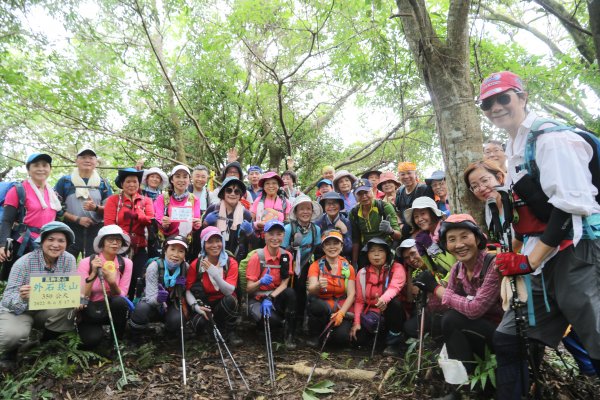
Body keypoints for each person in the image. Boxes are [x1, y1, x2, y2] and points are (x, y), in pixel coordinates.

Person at [478, 70, 600, 397]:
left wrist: (528, 261)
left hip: (580, 246)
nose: (496, 107)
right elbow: (528, 213)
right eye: (487, 103)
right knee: (508, 337)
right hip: (548, 253)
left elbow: (568, 206)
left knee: (595, 333)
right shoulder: (515, 144)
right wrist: (517, 255)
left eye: (503, 98)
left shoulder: (552, 139)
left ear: (522, 96)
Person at [414, 214, 501, 397]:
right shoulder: (458, 268)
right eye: (452, 240)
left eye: (464, 236)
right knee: (440, 320)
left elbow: (475, 309)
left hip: (499, 333)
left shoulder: (492, 264)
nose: (459, 244)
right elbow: (446, 304)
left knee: (452, 319)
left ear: (477, 238)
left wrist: (436, 288)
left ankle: (470, 387)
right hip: (476, 330)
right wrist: (428, 289)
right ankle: (462, 387)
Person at [0, 222, 77, 370]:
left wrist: (77, 298)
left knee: (68, 307)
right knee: (11, 335)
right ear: (42, 241)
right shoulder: (24, 263)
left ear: (67, 244)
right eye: (51, 239)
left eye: (61, 241)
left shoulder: (69, 260)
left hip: (46, 308)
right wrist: (22, 297)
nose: (55, 244)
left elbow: (69, 290)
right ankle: (10, 352)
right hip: (20, 311)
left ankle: (46, 344)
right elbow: (7, 299)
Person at [0, 153, 62, 281]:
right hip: (22, 244)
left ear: (50, 169)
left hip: (46, 244)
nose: (41, 168)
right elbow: (6, 220)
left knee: (41, 283)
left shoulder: (53, 193)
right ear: (28, 169)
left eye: (45, 165)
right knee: (18, 283)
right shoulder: (18, 190)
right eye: (36, 165)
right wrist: (2, 245)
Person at [77, 225, 132, 349]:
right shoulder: (86, 262)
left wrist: (112, 282)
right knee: (91, 340)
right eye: (110, 239)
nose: (115, 243)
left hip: (112, 309)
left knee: (119, 302)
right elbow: (82, 296)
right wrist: (93, 273)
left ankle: (116, 340)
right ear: (102, 243)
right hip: (90, 310)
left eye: (118, 240)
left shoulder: (126, 263)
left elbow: (122, 294)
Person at [350, 238, 407, 356]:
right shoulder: (362, 273)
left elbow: (395, 287)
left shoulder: (397, 268)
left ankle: (394, 343)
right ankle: (380, 339)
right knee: (358, 340)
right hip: (372, 316)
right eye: (372, 251)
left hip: (392, 314)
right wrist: (356, 322)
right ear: (367, 255)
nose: (376, 254)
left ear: (387, 253)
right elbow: (359, 300)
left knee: (394, 303)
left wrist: (383, 300)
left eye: (380, 250)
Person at [103, 168, 154, 299]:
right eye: (128, 182)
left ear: (139, 184)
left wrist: (138, 212)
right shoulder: (113, 200)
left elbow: (150, 220)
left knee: (137, 279)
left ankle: (133, 309)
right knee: (119, 278)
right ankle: (119, 307)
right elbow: (109, 224)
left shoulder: (146, 201)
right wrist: (125, 236)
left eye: (135, 182)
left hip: (140, 247)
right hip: (118, 247)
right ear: (122, 184)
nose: (132, 185)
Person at [185, 227, 242, 346]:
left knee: (230, 300)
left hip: (224, 301)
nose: (215, 245)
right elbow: (188, 289)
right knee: (199, 323)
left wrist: (214, 274)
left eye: (218, 241)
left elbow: (229, 291)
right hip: (205, 303)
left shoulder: (230, 262)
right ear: (203, 244)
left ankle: (229, 331)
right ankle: (210, 329)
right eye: (210, 242)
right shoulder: (196, 264)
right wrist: (196, 307)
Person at [54, 148, 113, 260]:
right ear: (77, 161)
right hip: (70, 228)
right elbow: (55, 208)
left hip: (95, 229)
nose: (87, 160)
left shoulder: (103, 184)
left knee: (94, 264)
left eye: (91, 158)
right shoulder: (65, 181)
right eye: (83, 157)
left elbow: (110, 210)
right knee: (65, 261)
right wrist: (77, 219)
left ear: (96, 162)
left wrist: (95, 208)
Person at [246, 220, 296, 349]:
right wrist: (260, 282)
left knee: (291, 293)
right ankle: (263, 326)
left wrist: (271, 297)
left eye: (279, 234)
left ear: (283, 236)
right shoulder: (257, 257)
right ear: (264, 235)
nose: (275, 238)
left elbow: (285, 283)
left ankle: (289, 335)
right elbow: (249, 289)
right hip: (258, 298)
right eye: (271, 234)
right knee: (273, 321)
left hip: (274, 296)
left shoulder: (286, 256)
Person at [129, 235, 188, 336]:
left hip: (171, 303)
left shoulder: (185, 268)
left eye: (181, 251)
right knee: (141, 309)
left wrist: (181, 287)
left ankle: (168, 336)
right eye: (172, 249)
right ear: (165, 250)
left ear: (185, 255)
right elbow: (149, 298)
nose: (176, 254)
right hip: (152, 303)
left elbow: (183, 293)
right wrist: (158, 299)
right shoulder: (154, 266)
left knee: (177, 320)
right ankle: (136, 337)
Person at [306, 230, 355, 348]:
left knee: (341, 339)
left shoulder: (348, 268)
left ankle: (329, 334)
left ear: (342, 246)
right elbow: (311, 289)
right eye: (328, 244)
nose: (332, 247)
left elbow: (352, 294)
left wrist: (341, 313)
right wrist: (318, 286)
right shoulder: (316, 265)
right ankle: (315, 335)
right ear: (323, 247)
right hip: (324, 306)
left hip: (340, 307)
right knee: (315, 305)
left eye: (336, 243)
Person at [282, 195, 322, 330]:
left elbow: (317, 250)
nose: (305, 212)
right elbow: (282, 252)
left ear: (312, 211)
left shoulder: (316, 229)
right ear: (296, 212)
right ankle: (287, 320)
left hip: (306, 264)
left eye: (308, 209)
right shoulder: (288, 229)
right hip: (289, 265)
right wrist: (292, 247)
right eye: (302, 209)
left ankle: (301, 321)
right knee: (291, 291)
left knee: (303, 290)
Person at [349, 179, 401, 269]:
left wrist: (390, 231)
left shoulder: (384, 207)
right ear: (355, 196)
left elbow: (399, 235)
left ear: (372, 191)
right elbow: (356, 239)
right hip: (366, 250)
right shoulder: (354, 212)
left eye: (366, 192)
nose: (364, 196)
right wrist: (354, 262)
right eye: (360, 194)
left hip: (386, 247)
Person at [154, 165, 202, 256]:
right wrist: (163, 223)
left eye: (185, 177)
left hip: (185, 243)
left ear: (189, 180)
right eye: (177, 176)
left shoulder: (194, 199)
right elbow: (158, 218)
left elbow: (196, 222)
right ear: (172, 180)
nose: (181, 180)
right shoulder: (162, 198)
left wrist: (197, 224)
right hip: (166, 241)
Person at [202, 177, 254, 261]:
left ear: (240, 195)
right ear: (223, 193)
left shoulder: (246, 214)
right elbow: (200, 237)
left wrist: (251, 233)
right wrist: (205, 223)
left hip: (237, 259)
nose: (233, 194)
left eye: (237, 191)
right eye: (229, 190)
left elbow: (254, 244)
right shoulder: (213, 209)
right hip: (213, 258)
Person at [404, 196, 454, 276]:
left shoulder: (446, 232)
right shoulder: (426, 237)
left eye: (423, 213)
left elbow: (453, 267)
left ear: (432, 213)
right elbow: (435, 271)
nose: (419, 219)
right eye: (416, 216)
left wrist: (431, 246)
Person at [395, 162, 434, 236]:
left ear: (415, 174)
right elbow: (397, 212)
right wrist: (400, 225)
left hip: (423, 230)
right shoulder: (399, 192)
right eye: (403, 174)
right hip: (405, 230)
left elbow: (431, 212)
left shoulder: (424, 189)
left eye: (409, 173)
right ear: (399, 176)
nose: (406, 176)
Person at [315, 192, 352, 260]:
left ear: (340, 205)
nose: (331, 206)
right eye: (328, 204)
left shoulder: (347, 222)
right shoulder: (318, 223)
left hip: (342, 261)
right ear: (324, 207)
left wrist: (345, 232)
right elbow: (316, 249)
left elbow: (349, 249)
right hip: (322, 261)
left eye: (334, 203)